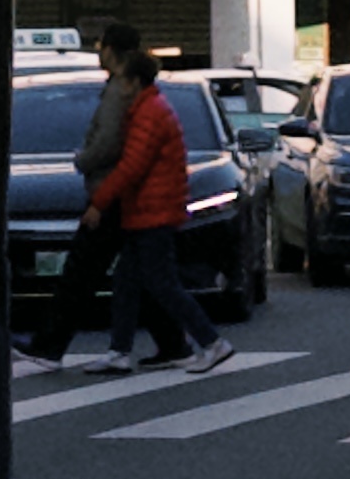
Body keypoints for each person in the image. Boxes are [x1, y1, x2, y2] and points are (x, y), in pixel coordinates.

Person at [88, 50, 230, 374]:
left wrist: (100, 202)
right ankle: (119, 350)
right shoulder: (150, 109)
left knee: (161, 282)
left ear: (135, 82)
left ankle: (211, 341)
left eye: (122, 78)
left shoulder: (149, 114)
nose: (116, 84)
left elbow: (132, 166)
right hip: (149, 210)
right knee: (128, 280)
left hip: (152, 212)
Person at [14, 26, 147, 369]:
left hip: (110, 192)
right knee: (139, 272)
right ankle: (178, 342)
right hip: (121, 192)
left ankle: (49, 345)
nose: (98, 51)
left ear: (112, 51)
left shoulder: (119, 90)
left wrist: (83, 160)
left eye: (101, 45)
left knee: (80, 272)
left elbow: (109, 141)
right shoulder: (127, 87)